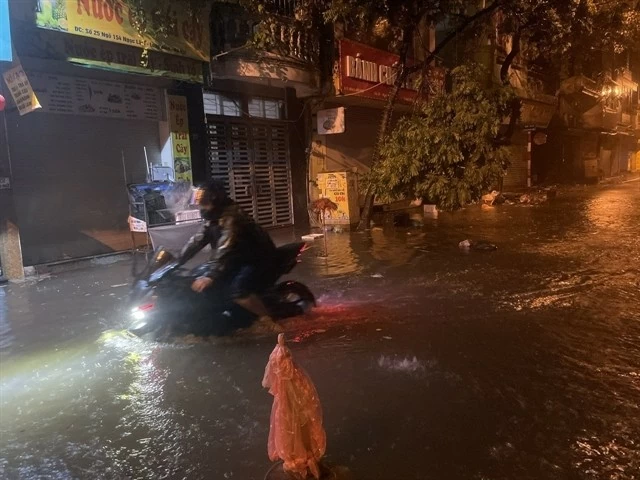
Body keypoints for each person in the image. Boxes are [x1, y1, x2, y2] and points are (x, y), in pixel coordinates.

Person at [186, 181, 278, 325]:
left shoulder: (232, 216)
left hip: (256, 257)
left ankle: (268, 319)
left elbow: (225, 246)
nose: (200, 205)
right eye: (198, 201)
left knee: (238, 291)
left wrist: (211, 276)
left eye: (203, 201)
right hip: (236, 257)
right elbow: (196, 241)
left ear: (215, 199)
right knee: (196, 272)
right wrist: (173, 261)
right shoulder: (213, 217)